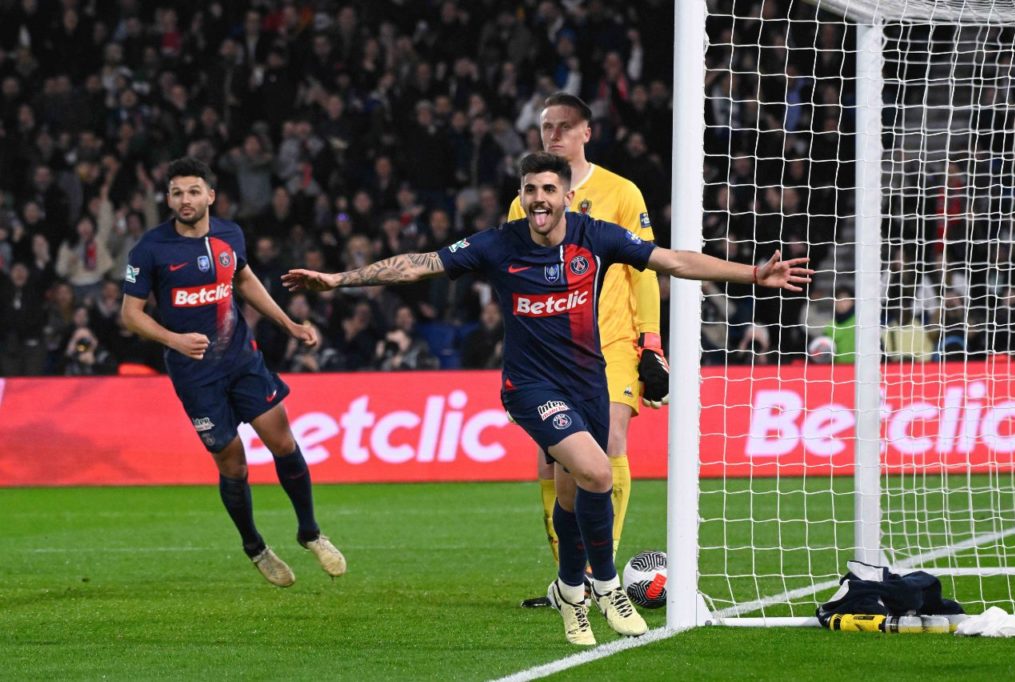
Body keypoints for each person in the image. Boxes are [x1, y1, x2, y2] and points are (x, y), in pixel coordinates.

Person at [283, 152, 811, 645]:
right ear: (522, 194)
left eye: (549, 189)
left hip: (588, 383)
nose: (539, 198)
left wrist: (753, 275)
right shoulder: (497, 243)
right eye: (530, 188)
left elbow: (671, 261)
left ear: (565, 197)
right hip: (530, 388)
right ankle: (604, 588)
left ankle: (566, 592)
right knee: (599, 474)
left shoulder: (595, 237)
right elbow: (419, 263)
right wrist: (337, 280)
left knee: (569, 496)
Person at [120, 157, 346, 587]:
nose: (184, 200)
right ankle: (255, 547)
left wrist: (289, 324)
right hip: (194, 374)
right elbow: (131, 315)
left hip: (242, 360)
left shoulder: (229, 234)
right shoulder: (150, 249)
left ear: (210, 195)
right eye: (176, 193)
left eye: (192, 191)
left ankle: (310, 532)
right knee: (233, 465)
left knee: (282, 440)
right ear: (168, 198)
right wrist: (174, 339)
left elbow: (244, 281)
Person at [506, 92, 665, 607]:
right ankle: (566, 582)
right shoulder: (525, 200)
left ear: (586, 132)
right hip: (551, 352)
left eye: (563, 126)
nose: (552, 134)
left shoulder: (621, 192)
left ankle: (604, 574)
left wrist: (651, 342)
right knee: (551, 465)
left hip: (612, 341)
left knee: (610, 446)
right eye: (546, 125)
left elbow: (644, 268)